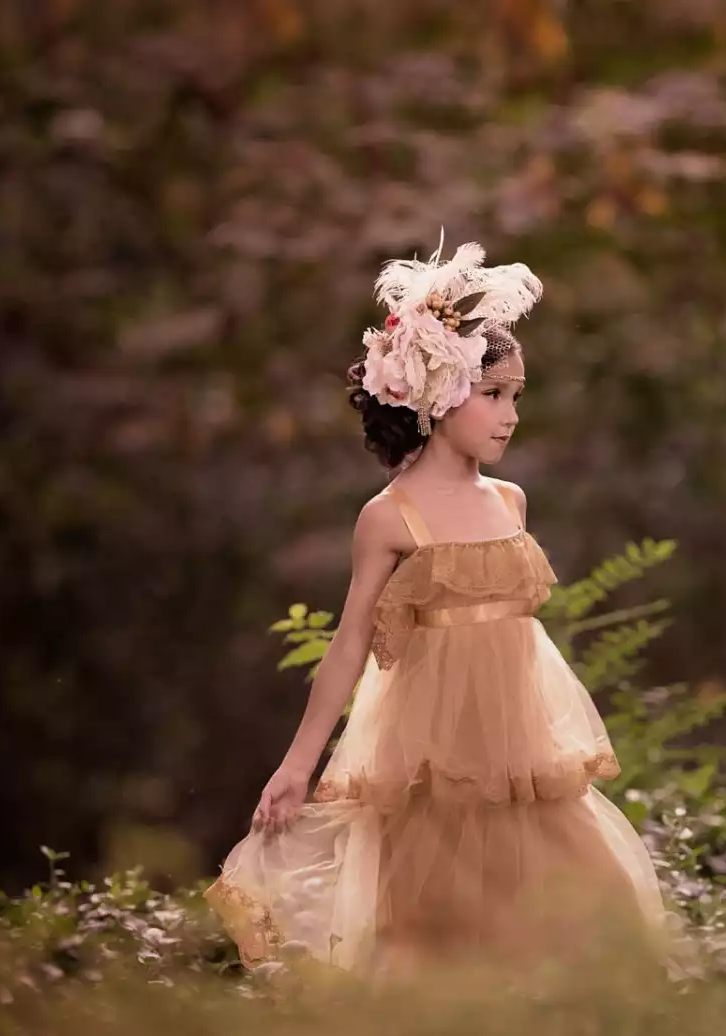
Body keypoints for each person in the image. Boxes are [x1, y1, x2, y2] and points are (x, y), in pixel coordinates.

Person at [206, 239, 669, 977]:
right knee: (438, 939)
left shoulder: (510, 501)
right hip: (431, 767)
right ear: (437, 393)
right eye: (493, 395)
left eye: (517, 396)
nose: (510, 414)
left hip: (520, 759)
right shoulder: (389, 518)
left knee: (592, 910)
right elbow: (351, 644)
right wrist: (299, 765)